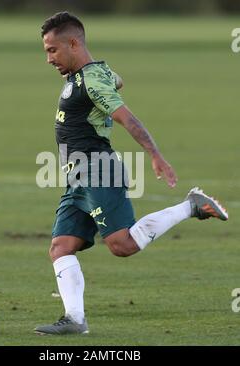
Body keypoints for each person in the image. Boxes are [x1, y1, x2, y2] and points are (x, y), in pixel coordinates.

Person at [34, 11, 228, 335]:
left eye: (52, 50)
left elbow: (128, 118)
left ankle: (191, 206)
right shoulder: (92, 75)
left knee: (122, 245)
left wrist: (155, 155)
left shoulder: (91, 80)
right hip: (77, 178)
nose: (49, 59)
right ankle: (75, 320)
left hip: (98, 169)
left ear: (73, 43)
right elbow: (116, 79)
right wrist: (107, 77)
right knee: (61, 247)